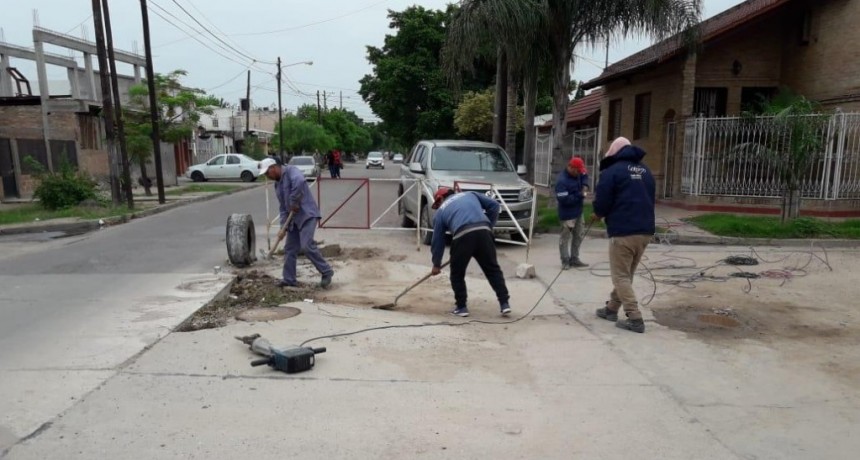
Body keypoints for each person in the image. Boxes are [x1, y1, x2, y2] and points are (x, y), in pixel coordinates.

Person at [591, 137, 656, 334]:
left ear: (614, 152)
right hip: (645, 231)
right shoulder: (646, 171)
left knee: (620, 276)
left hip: (624, 231)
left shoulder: (612, 172)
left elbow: (602, 201)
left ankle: (634, 318)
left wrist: (598, 213)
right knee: (626, 275)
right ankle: (611, 309)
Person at [429, 187, 511, 318]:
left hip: (462, 235)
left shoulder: (440, 211)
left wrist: (436, 264)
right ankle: (504, 303)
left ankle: (461, 307)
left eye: (437, 203)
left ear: (441, 199)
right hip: (484, 231)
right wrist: (488, 225)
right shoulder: (469, 194)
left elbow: (438, 240)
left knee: (457, 273)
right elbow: (495, 205)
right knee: (493, 269)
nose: (438, 206)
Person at [258, 158, 334, 289]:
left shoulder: (292, 172)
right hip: (292, 220)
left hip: (307, 215)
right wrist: (283, 227)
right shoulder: (277, 185)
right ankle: (289, 279)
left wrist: (294, 201)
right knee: (290, 249)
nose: (267, 176)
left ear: (274, 167)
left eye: (267, 173)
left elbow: (299, 182)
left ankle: (326, 272)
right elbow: (283, 207)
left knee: (306, 246)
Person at [556, 156, 590, 270]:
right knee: (565, 237)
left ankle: (574, 258)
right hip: (567, 214)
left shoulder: (579, 171)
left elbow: (585, 174)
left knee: (579, 235)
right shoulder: (562, 181)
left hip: (578, 212)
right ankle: (565, 260)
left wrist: (585, 186)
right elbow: (564, 200)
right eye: (577, 171)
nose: (579, 173)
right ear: (570, 167)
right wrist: (580, 195)